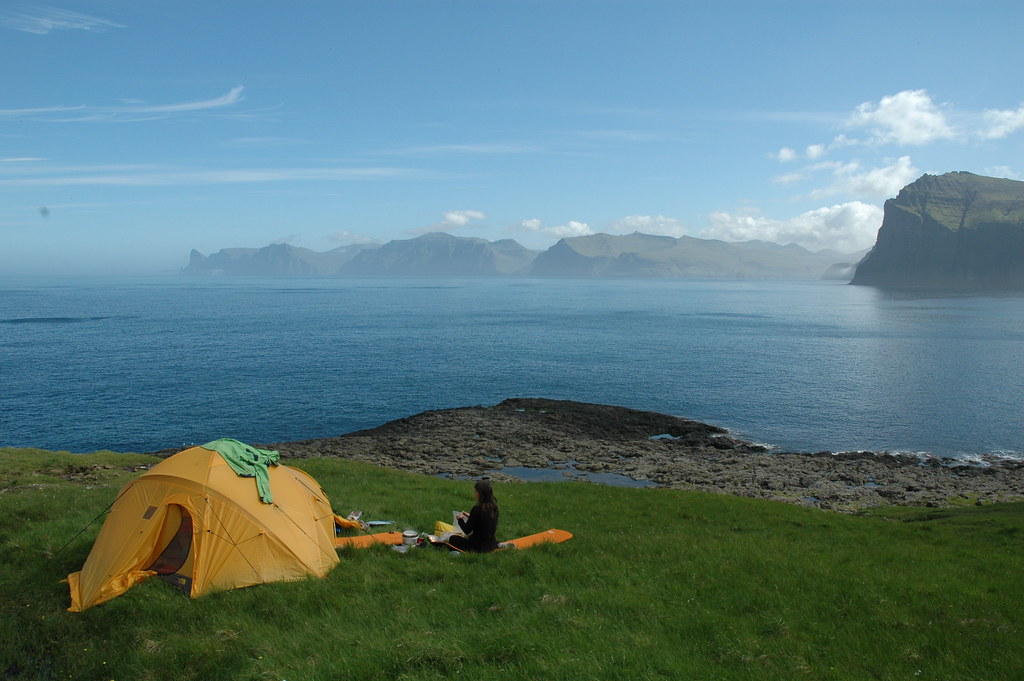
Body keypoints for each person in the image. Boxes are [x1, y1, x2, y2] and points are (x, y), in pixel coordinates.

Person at [447, 479, 500, 553]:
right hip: (491, 543)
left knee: (452, 538)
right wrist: (470, 516)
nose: (474, 493)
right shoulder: (494, 507)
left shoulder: (477, 508)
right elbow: (484, 521)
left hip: (478, 546)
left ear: (480, 494)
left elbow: (467, 530)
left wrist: (460, 519)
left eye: (476, 492)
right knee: (471, 537)